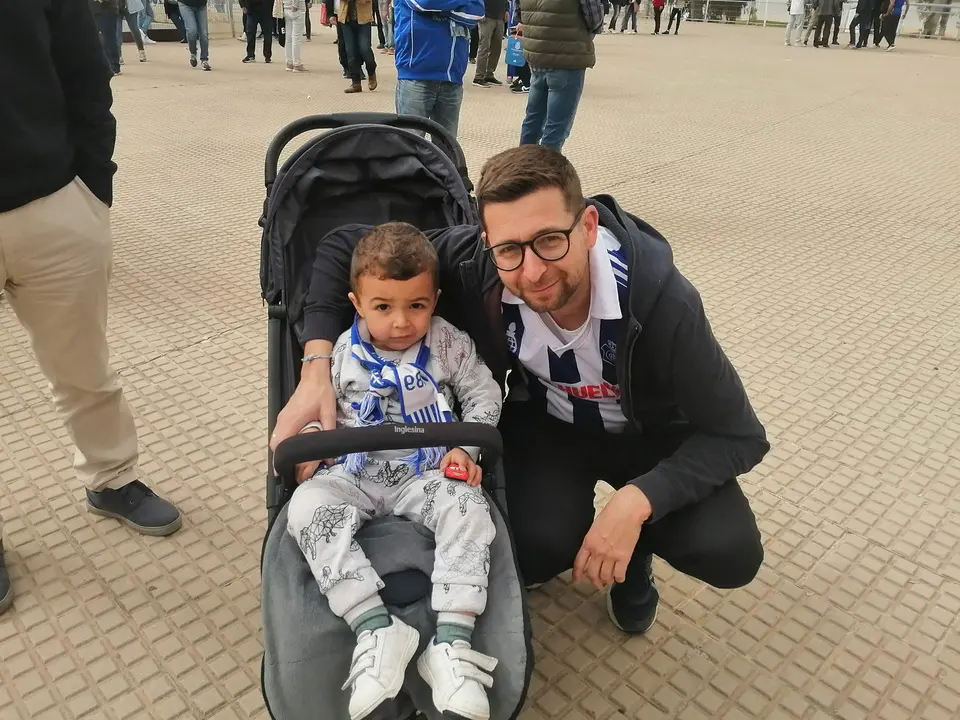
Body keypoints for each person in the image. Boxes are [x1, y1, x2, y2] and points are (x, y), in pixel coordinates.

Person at [272, 146, 767, 636]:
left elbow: (740, 435)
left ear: (589, 226)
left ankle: (634, 551)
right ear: (488, 240)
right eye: (510, 249)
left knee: (729, 552)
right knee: (524, 550)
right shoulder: (478, 261)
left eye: (551, 240)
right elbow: (344, 247)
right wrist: (317, 367)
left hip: (650, 437)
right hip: (551, 427)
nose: (531, 271)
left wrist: (638, 501)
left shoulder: (661, 301)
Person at [0, 0, 183, 616]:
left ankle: (112, 479)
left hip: (52, 202)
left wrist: (92, 189)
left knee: (82, 366)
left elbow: (84, 69)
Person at [286, 223, 502, 720]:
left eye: (417, 306)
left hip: (424, 469)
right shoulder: (340, 353)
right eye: (383, 307)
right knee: (308, 506)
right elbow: (323, 411)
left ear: (436, 300)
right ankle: (376, 626)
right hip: (355, 471)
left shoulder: (449, 345)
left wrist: (466, 449)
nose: (402, 322)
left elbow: (484, 394)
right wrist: (311, 453)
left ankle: (450, 644)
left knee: (470, 506)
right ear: (357, 304)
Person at [518, 0, 604, 151]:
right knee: (556, 128)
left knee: (533, 120)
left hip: (537, 54)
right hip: (567, 58)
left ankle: (521, 167)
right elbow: (594, 18)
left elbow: (520, 13)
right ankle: (545, 170)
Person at [393, 0, 483, 137]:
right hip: (415, 74)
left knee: (447, 150)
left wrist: (440, 10)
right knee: (410, 147)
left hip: (452, 75)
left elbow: (477, 12)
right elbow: (424, 3)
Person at [330, 0, 378, 93]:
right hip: (345, 19)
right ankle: (356, 83)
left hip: (363, 19)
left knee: (365, 48)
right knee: (350, 52)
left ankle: (371, 72)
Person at [473, 0, 507, 87]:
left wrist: (506, 9)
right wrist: (479, 12)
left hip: (500, 17)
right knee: (484, 46)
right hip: (486, 16)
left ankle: (489, 74)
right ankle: (478, 77)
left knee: (496, 48)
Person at [91, 0, 123, 74]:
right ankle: (102, 65)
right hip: (93, 9)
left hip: (106, 9)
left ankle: (114, 66)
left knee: (109, 38)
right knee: (97, 39)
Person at [178, 0, 212, 69]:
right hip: (185, 4)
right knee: (192, 31)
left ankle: (204, 59)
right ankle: (193, 53)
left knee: (203, 33)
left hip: (201, 5)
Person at [117, 0, 148, 65]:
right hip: (116, 6)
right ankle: (118, 55)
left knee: (134, 29)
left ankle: (141, 50)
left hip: (130, 5)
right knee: (117, 32)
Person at [283, 0, 308, 70]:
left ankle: (289, 62)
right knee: (296, 37)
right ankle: (296, 63)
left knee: (288, 37)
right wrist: (295, 6)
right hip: (297, 9)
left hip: (286, 7)